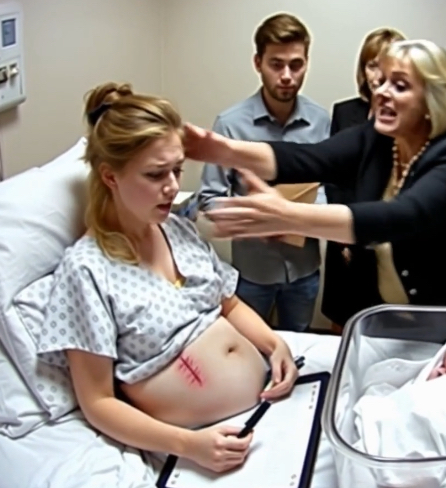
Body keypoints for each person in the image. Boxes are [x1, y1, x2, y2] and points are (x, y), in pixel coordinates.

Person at [35, 82, 299, 474]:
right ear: (110, 177)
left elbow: (228, 304)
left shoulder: (176, 229)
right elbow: (98, 403)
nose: (173, 187)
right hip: (197, 443)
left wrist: (274, 344)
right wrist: (189, 445)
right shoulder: (87, 270)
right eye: (156, 174)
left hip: (263, 408)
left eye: (177, 170)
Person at [184, 39, 446, 315]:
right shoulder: (376, 140)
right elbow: (309, 158)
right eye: (382, 81)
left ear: (433, 101)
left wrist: (287, 216)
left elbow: (399, 217)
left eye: (400, 86)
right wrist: (224, 150)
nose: (381, 92)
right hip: (387, 314)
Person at [198, 13, 330, 333]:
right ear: (258, 63)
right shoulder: (230, 125)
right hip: (252, 271)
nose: (286, 76)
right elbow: (209, 198)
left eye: (296, 65)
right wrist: (253, 218)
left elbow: (332, 188)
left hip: (304, 270)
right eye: (276, 64)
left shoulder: (322, 121)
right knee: (250, 348)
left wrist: (298, 215)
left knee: (298, 345)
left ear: (307, 63)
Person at [325, 27, 406, 332]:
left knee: (391, 325)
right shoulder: (345, 112)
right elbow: (333, 175)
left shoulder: (413, 115)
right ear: (363, 69)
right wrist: (343, 231)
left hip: (391, 237)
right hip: (344, 233)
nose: (379, 74)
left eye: (389, 65)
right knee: (345, 323)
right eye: (373, 65)